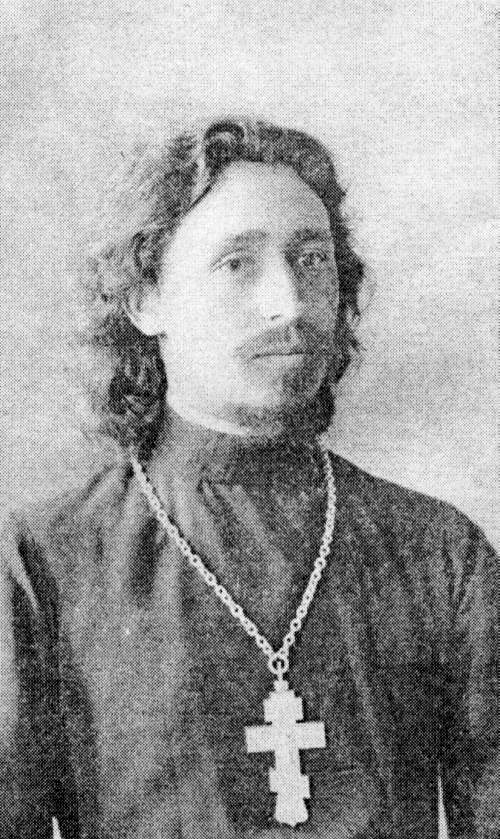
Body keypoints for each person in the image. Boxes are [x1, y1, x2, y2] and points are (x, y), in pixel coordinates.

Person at [0, 117, 497, 839]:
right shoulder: (42, 561)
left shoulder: (441, 553)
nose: (289, 304)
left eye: (313, 260)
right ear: (146, 299)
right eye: (238, 264)